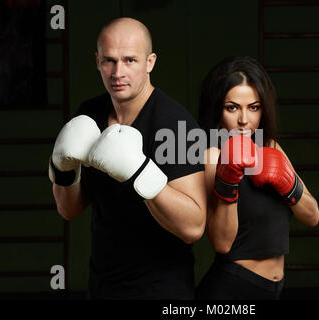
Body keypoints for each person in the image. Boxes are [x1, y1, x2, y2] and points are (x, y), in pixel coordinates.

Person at [48, 18, 206, 299]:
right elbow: (68, 210)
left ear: (150, 62)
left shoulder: (177, 126)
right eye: (109, 60)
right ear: (97, 61)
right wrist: (63, 168)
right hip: (102, 286)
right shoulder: (89, 114)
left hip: (161, 290)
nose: (118, 72)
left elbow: (193, 227)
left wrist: (139, 170)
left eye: (130, 60)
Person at [195, 56, 319, 300]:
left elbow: (312, 215)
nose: (244, 119)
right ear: (217, 109)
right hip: (232, 287)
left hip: (272, 289)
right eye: (232, 107)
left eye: (253, 107)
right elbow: (221, 244)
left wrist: (289, 185)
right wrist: (228, 180)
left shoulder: (271, 147)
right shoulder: (213, 156)